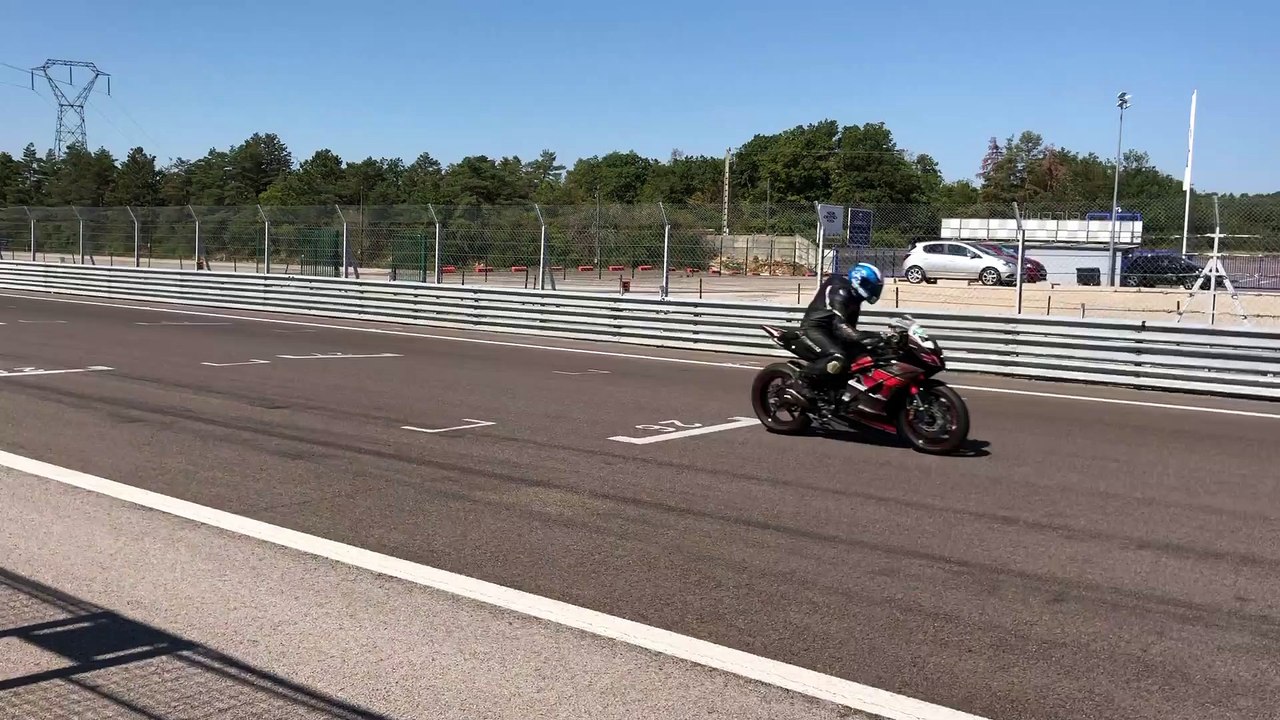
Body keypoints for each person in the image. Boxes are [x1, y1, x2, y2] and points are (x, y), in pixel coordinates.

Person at [791, 262, 885, 410]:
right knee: (838, 357)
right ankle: (804, 380)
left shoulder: (856, 297)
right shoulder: (840, 291)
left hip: (833, 331)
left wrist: (874, 341)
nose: (874, 290)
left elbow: (849, 328)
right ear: (859, 280)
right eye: (871, 286)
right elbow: (841, 326)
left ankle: (843, 393)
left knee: (865, 356)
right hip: (815, 328)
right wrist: (869, 336)